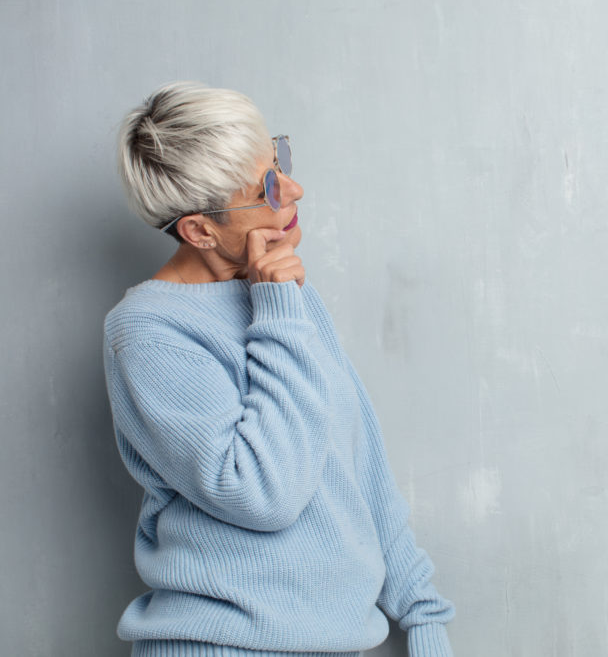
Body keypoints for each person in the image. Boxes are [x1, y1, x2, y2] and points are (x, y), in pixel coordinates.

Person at [103, 81, 454, 657]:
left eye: (279, 158)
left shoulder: (284, 294)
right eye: (268, 185)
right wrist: (278, 311)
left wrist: (424, 618)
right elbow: (263, 495)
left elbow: (358, 465)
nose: (294, 188)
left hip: (339, 644)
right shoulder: (148, 330)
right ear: (199, 230)